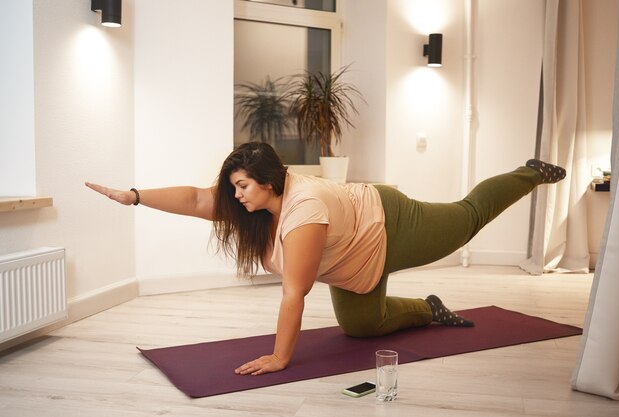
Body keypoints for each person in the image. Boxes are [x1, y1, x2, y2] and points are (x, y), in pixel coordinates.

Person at [85, 142, 566, 376]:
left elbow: (295, 292)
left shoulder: (305, 210)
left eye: (243, 186)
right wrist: (133, 195)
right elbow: (194, 199)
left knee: (466, 219)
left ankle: (527, 173)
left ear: (270, 182)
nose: (236, 196)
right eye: (233, 186)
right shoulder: (254, 202)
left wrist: (281, 356)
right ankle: (429, 308)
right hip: (353, 259)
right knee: (363, 326)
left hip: (387, 224)